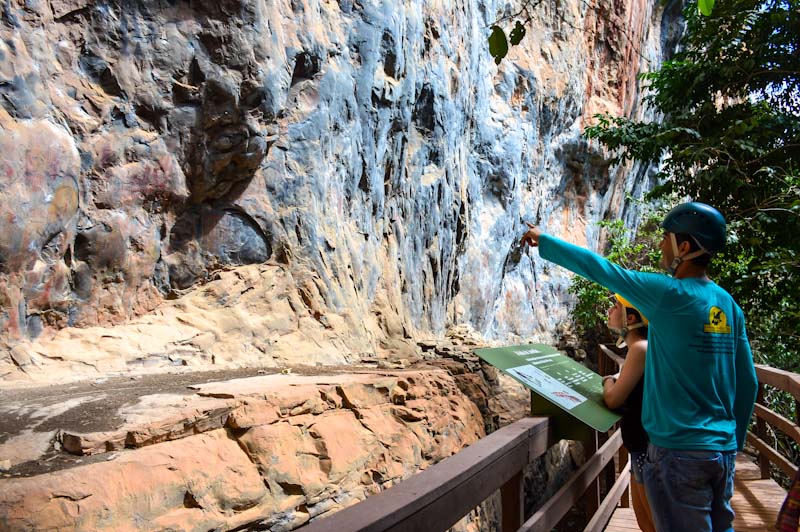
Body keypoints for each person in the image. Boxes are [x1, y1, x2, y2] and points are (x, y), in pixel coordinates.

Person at [520, 202, 758, 532]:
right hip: (722, 451)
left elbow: (602, 270)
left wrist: (545, 241)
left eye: (666, 237)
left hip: (678, 450)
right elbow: (748, 383)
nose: (661, 244)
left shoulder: (668, 294)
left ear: (684, 247)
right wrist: (733, 441)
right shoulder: (729, 306)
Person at [602, 294, 655, 532]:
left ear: (630, 318)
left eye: (616, 307)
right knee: (647, 521)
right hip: (641, 445)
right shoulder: (641, 348)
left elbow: (613, 399)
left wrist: (606, 381)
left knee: (652, 522)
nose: (610, 310)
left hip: (646, 447)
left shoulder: (641, 348)